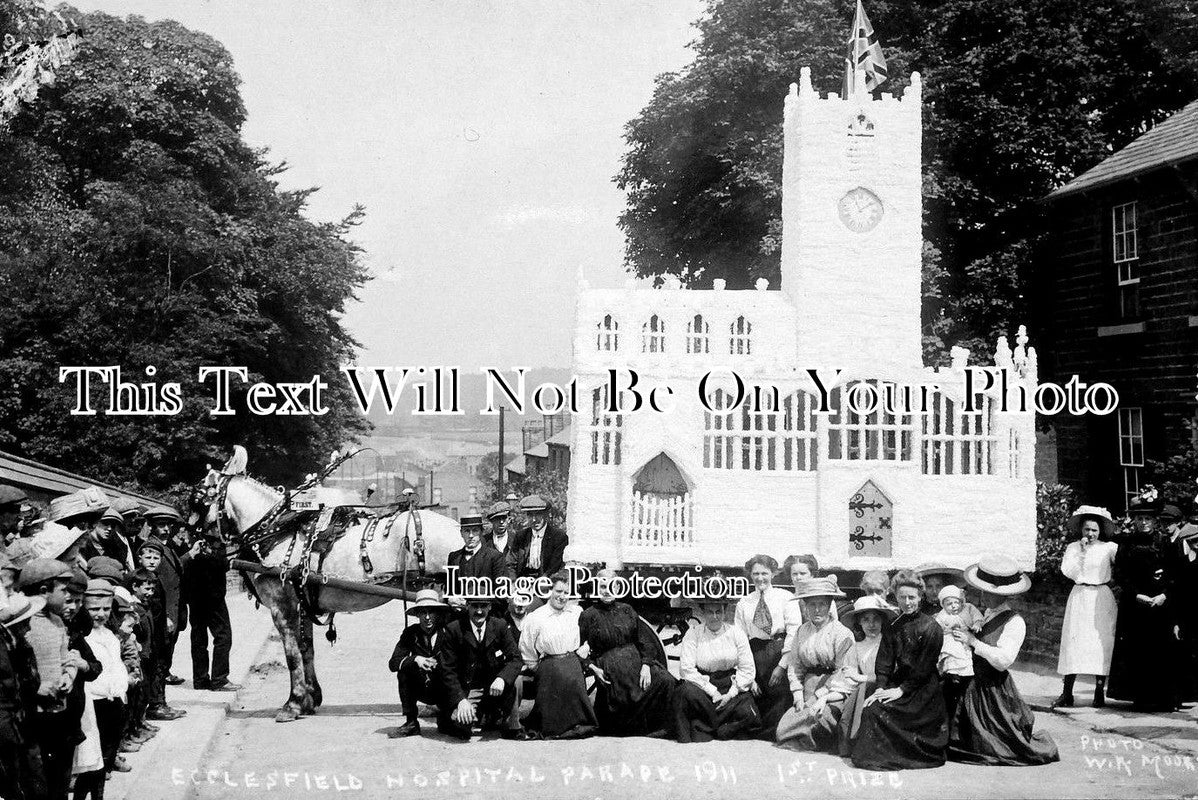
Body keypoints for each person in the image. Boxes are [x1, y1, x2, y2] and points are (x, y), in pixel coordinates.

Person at [947, 554, 1059, 766]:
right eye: (982, 590)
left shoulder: (1015, 622)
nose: (983, 595)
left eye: (990, 592)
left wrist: (973, 642)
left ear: (1006, 595)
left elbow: (1003, 660)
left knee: (995, 746)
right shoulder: (986, 613)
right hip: (972, 682)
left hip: (993, 688)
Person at [851, 568, 948, 771]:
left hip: (922, 691)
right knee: (873, 709)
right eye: (902, 597)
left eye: (912, 597)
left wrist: (900, 690)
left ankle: (907, 754)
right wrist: (880, 687)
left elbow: (924, 667)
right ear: (895, 596)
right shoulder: (893, 626)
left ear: (920, 597)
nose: (907, 602)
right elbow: (884, 662)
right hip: (898, 683)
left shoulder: (932, 628)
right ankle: (876, 756)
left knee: (892, 713)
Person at [1108, 487, 1181, 711]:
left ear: (1155, 520)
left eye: (1148, 518)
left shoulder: (1166, 544)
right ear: (1135, 520)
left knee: (1160, 651)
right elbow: (1120, 575)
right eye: (1140, 518)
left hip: (1159, 606)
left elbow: (1175, 575)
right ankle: (1140, 698)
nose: (1144, 522)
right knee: (1137, 650)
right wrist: (1136, 595)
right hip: (1135, 605)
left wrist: (1163, 595)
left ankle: (1163, 699)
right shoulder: (1126, 544)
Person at [579, 569, 675, 737]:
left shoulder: (627, 610)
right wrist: (594, 668)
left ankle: (658, 726)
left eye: (611, 585)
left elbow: (644, 641)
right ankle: (634, 728)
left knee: (665, 680)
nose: (607, 590)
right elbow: (578, 649)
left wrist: (646, 665)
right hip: (609, 666)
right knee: (625, 694)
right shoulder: (588, 615)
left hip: (635, 662)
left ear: (617, 588)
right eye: (602, 586)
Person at [20, 558, 83, 799]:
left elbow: (66, 658)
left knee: (60, 777)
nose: (68, 596)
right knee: (37, 781)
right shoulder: (23, 624)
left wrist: (69, 675)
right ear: (44, 592)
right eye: (64, 590)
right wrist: (37, 686)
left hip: (60, 713)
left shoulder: (57, 621)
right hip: (33, 716)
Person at [774, 577, 856, 753]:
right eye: (812, 605)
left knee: (820, 719)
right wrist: (797, 694)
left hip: (834, 690)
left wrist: (822, 694)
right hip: (808, 688)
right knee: (783, 729)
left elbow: (843, 671)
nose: (817, 609)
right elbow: (795, 665)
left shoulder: (842, 633)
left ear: (829, 605)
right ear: (805, 606)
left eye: (822, 604)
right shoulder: (802, 631)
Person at [1053, 505, 1119, 709]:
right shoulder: (1073, 548)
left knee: (1101, 643)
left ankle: (1099, 692)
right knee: (1074, 642)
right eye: (1087, 529)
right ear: (1081, 530)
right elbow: (1068, 571)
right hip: (1080, 596)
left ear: (1100, 532)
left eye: (1094, 530)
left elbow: (1126, 563)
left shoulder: (1109, 548)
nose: (1090, 534)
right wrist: (1081, 553)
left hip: (1101, 597)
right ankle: (1067, 693)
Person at [673, 591, 760, 743]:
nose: (714, 616)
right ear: (703, 613)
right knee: (684, 692)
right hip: (704, 686)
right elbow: (686, 669)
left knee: (748, 710)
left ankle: (712, 727)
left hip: (730, 685)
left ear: (725, 612)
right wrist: (712, 692)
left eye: (718, 611)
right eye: (709, 612)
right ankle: (714, 726)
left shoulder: (736, 633)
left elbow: (747, 669)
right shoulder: (694, 633)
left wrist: (730, 694)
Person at [520, 571, 597, 739]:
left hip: (571, 661)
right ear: (550, 591)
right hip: (549, 664)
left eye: (566, 593)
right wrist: (536, 666)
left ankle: (577, 723)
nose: (562, 597)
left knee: (572, 684)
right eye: (558, 591)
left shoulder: (576, 612)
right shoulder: (537, 617)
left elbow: (589, 634)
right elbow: (526, 647)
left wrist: (584, 648)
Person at [437, 595, 526, 741]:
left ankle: (511, 725)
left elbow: (516, 659)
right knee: (463, 728)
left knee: (517, 680)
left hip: (494, 687)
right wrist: (460, 700)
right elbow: (447, 670)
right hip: (469, 689)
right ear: (467, 606)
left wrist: (502, 679)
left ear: (490, 607)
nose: (479, 611)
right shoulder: (454, 629)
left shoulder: (500, 626)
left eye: (483, 606)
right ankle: (474, 716)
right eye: (474, 606)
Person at [734, 555, 792, 737]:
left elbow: (794, 631)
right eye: (756, 573)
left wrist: (782, 665)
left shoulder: (786, 598)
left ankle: (777, 732)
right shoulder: (744, 603)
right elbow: (739, 638)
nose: (760, 578)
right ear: (750, 575)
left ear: (773, 574)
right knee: (757, 696)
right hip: (754, 653)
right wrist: (747, 675)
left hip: (779, 649)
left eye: (765, 573)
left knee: (779, 695)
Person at [0, 591, 47, 800]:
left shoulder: (20, 647)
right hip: (11, 726)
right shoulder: (8, 651)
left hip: (23, 722)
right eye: (24, 624)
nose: (28, 628)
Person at [837, 595, 897, 757]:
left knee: (865, 688)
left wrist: (861, 678)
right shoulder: (857, 648)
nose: (871, 624)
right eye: (866, 619)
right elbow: (847, 675)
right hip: (862, 693)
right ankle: (853, 742)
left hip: (886, 690)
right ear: (859, 623)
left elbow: (892, 675)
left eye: (876, 619)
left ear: (883, 621)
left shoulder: (889, 643)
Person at [387, 589, 452, 738]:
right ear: (417, 615)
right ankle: (411, 722)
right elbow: (393, 663)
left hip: (444, 688)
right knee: (403, 672)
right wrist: (416, 659)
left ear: (437, 614)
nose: (427, 618)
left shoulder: (448, 633)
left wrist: (439, 664)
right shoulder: (410, 634)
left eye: (431, 612)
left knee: (456, 729)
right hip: (422, 687)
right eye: (423, 613)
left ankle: (446, 715)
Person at [143, 507, 192, 687]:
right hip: (162, 605)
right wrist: (189, 555)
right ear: (152, 527)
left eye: (168, 525)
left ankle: (165, 673)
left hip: (175, 604)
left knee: (169, 644)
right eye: (161, 525)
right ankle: (158, 685)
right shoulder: (152, 548)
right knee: (161, 646)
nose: (165, 529)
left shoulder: (168, 546)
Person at [185, 533, 233, 692]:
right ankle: (219, 680)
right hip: (213, 599)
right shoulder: (213, 544)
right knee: (223, 636)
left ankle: (200, 680)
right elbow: (223, 564)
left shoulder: (194, 542)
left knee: (198, 639)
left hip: (195, 598)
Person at [1165, 505, 1198, 706]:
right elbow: (1177, 591)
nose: (1197, 545)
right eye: (1192, 541)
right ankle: (1183, 695)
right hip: (1186, 613)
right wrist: (1176, 621)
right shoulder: (1183, 561)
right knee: (1184, 654)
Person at [935, 584, 982, 722]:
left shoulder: (968, 608)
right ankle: (952, 673)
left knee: (964, 655)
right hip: (950, 638)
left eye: (957, 602)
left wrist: (977, 624)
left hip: (965, 638)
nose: (954, 606)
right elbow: (937, 626)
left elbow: (977, 616)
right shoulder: (942, 614)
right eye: (949, 604)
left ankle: (963, 674)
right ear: (943, 605)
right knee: (950, 652)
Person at [446, 514, 509, 612]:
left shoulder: (495, 557)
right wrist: (451, 599)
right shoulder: (454, 557)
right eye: (467, 531)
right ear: (461, 533)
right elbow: (449, 589)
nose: (470, 536)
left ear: (481, 532)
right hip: (460, 616)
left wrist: (471, 603)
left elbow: (501, 594)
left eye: (475, 530)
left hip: (487, 615)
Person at [510, 496, 566, 579]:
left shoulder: (558, 536)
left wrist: (542, 583)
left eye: (538, 514)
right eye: (530, 515)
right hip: (522, 581)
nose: (534, 520)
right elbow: (510, 563)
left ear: (546, 515)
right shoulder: (521, 536)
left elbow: (555, 566)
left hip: (547, 580)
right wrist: (513, 582)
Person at [483, 501, 517, 570]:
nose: (501, 522)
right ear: (492, 521)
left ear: (509, 519)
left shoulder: (516, 538)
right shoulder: (484, 541)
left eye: (504, 518)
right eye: (498, 518)